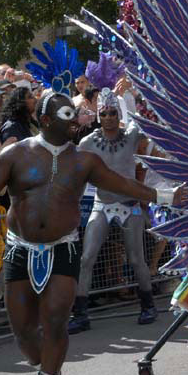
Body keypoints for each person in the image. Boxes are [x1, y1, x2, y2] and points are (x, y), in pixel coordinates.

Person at [0, 92, 185, 375]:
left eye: (75, 117)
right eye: (67, 118)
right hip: (20, 250)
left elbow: (123, 184)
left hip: (63, 248)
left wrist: (164, 195)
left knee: (55, 320)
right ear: (47, 120)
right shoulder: (14, 155)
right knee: (23, 331)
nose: (76, 122)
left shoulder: (83, 160)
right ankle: (42, 361)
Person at [68, 87, 162, 333]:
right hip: (102, 204)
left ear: (117, 113)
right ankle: (80, 313)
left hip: (130, 206)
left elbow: (148, 119)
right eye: (104, 113)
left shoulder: (131, 135)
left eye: (112, 113)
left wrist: (140, 92)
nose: (108, 117)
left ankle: (147, 305)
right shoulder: (88, 142)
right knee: (87, 258)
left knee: (136, 259)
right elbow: (75, 172)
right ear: (98, 115)